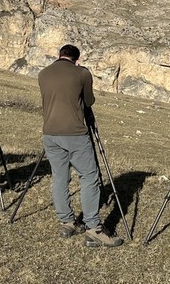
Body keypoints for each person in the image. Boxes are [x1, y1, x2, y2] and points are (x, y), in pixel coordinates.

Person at [38, 44, 123, 248]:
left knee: (60, 177)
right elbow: (88, 100)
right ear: (77, 59)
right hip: (74, 132)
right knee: (89, 177)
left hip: (50, 132)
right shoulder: (82, 73)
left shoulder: (43, 73)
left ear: (59, 55)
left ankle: (67, 222)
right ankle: (94, 228)